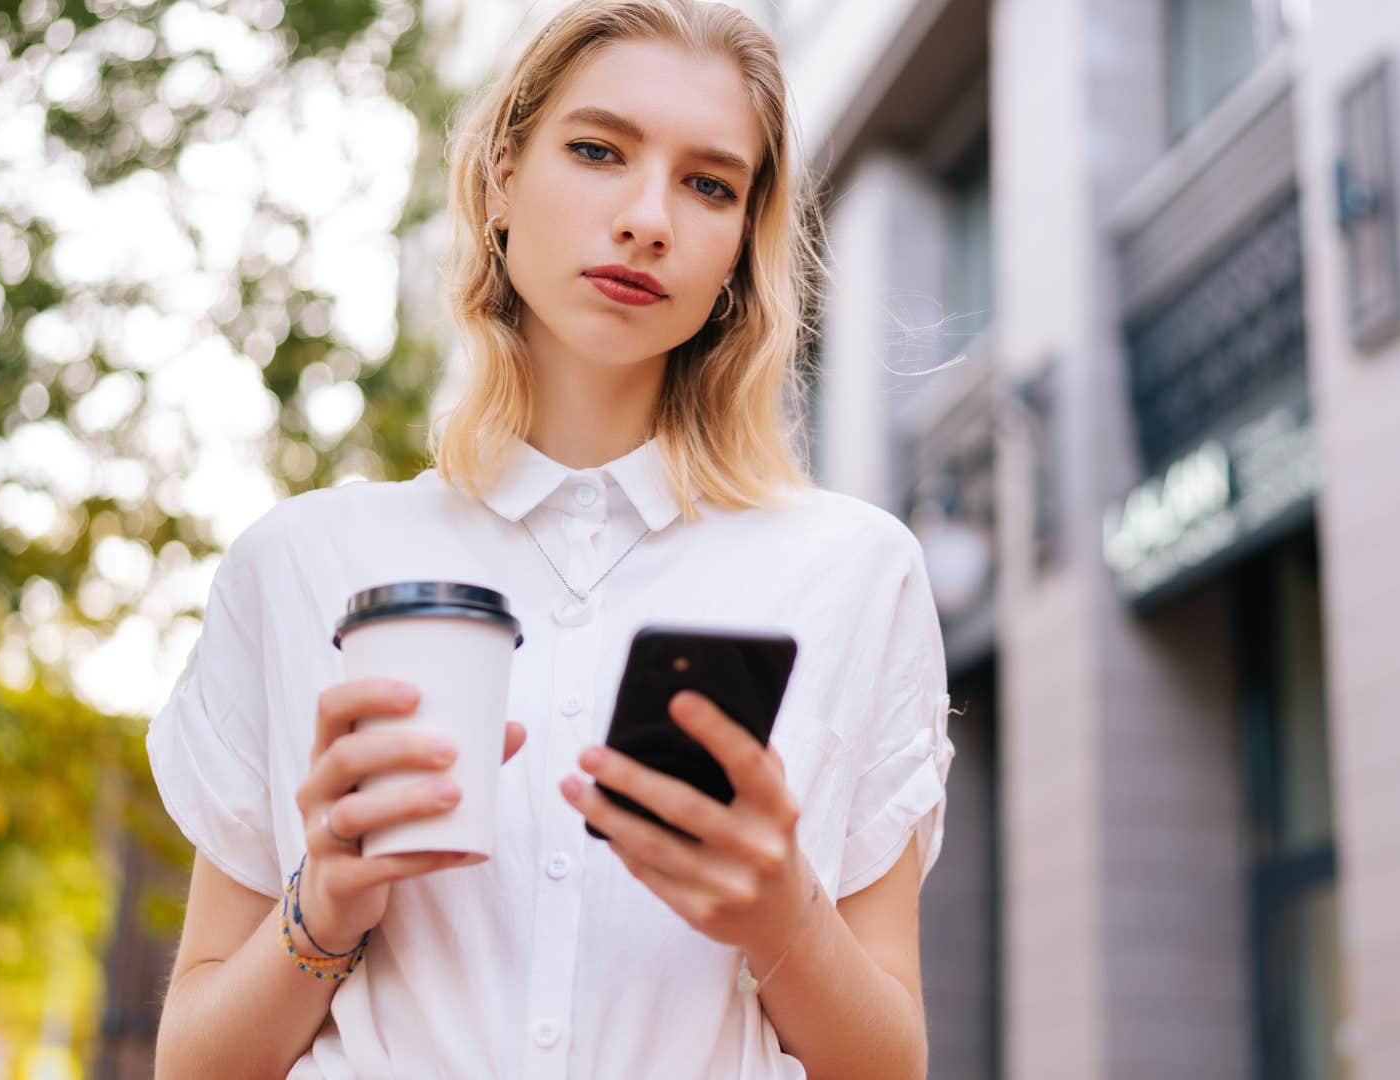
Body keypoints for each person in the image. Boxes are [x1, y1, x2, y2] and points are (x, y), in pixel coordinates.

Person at [146, 1, 955, 1076]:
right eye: (596, 151)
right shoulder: (301, 563)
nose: (649, 216)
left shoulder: (853, 574)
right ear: (499, 182)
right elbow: (190, 1065)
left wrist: (783, 917)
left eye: (709, 184)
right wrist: (326, 906)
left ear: (738, 252)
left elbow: (890, 1064)